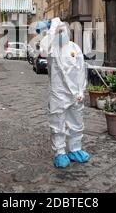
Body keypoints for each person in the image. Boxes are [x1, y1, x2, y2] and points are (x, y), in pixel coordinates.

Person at [38, 18, 91, 169]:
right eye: (58, 31)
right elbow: (42, 49)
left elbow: (82, 70)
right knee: (58, 124)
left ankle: (75, 149)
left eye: (63, 30)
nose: (61, 33)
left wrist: (81, 90)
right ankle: (60, 152)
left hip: (76, 95)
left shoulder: (75, 47)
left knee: (77, 123)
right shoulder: (51, 48)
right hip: (59, 94)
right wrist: (53, 27)